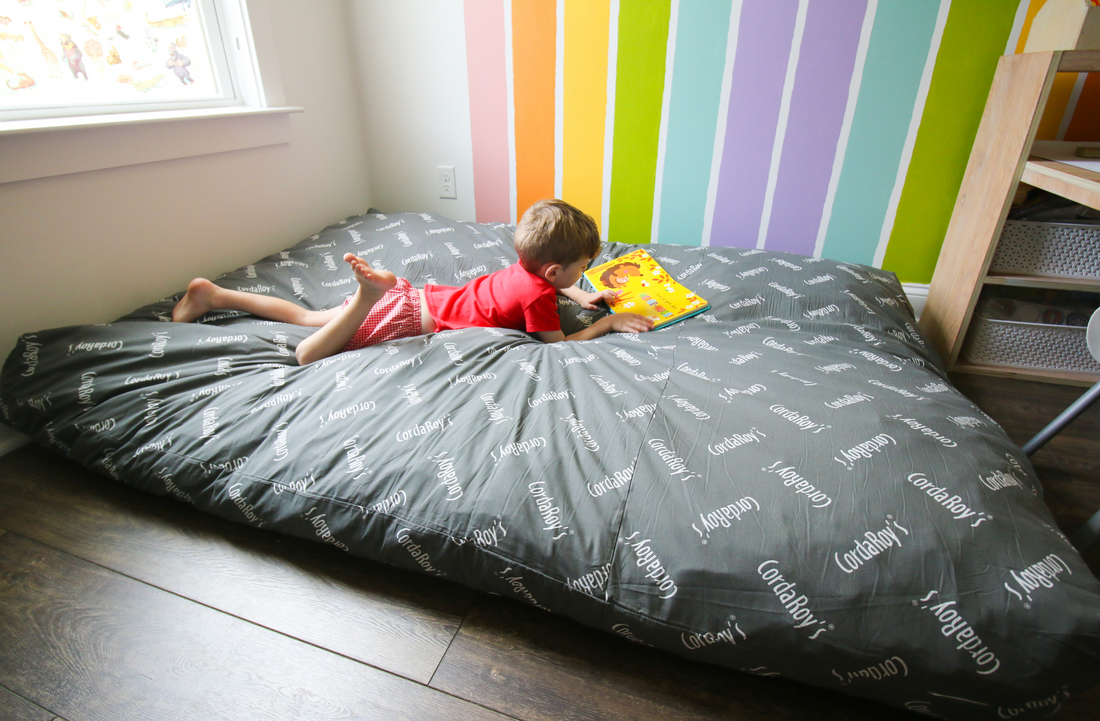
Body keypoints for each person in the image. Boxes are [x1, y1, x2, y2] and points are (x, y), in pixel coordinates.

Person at [173, 199, 654, 365]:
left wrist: (584, 293)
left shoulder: (528, 272)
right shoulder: (538, 298)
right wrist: (606, 326)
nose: (583, 271)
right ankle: (366, 298)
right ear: (552, 271)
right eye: (581, 266)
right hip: (405, 318)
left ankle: (213, 294)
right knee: (306, 351)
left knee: (304, 316)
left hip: (415, 295)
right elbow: (557, 345)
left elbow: (549, 285)